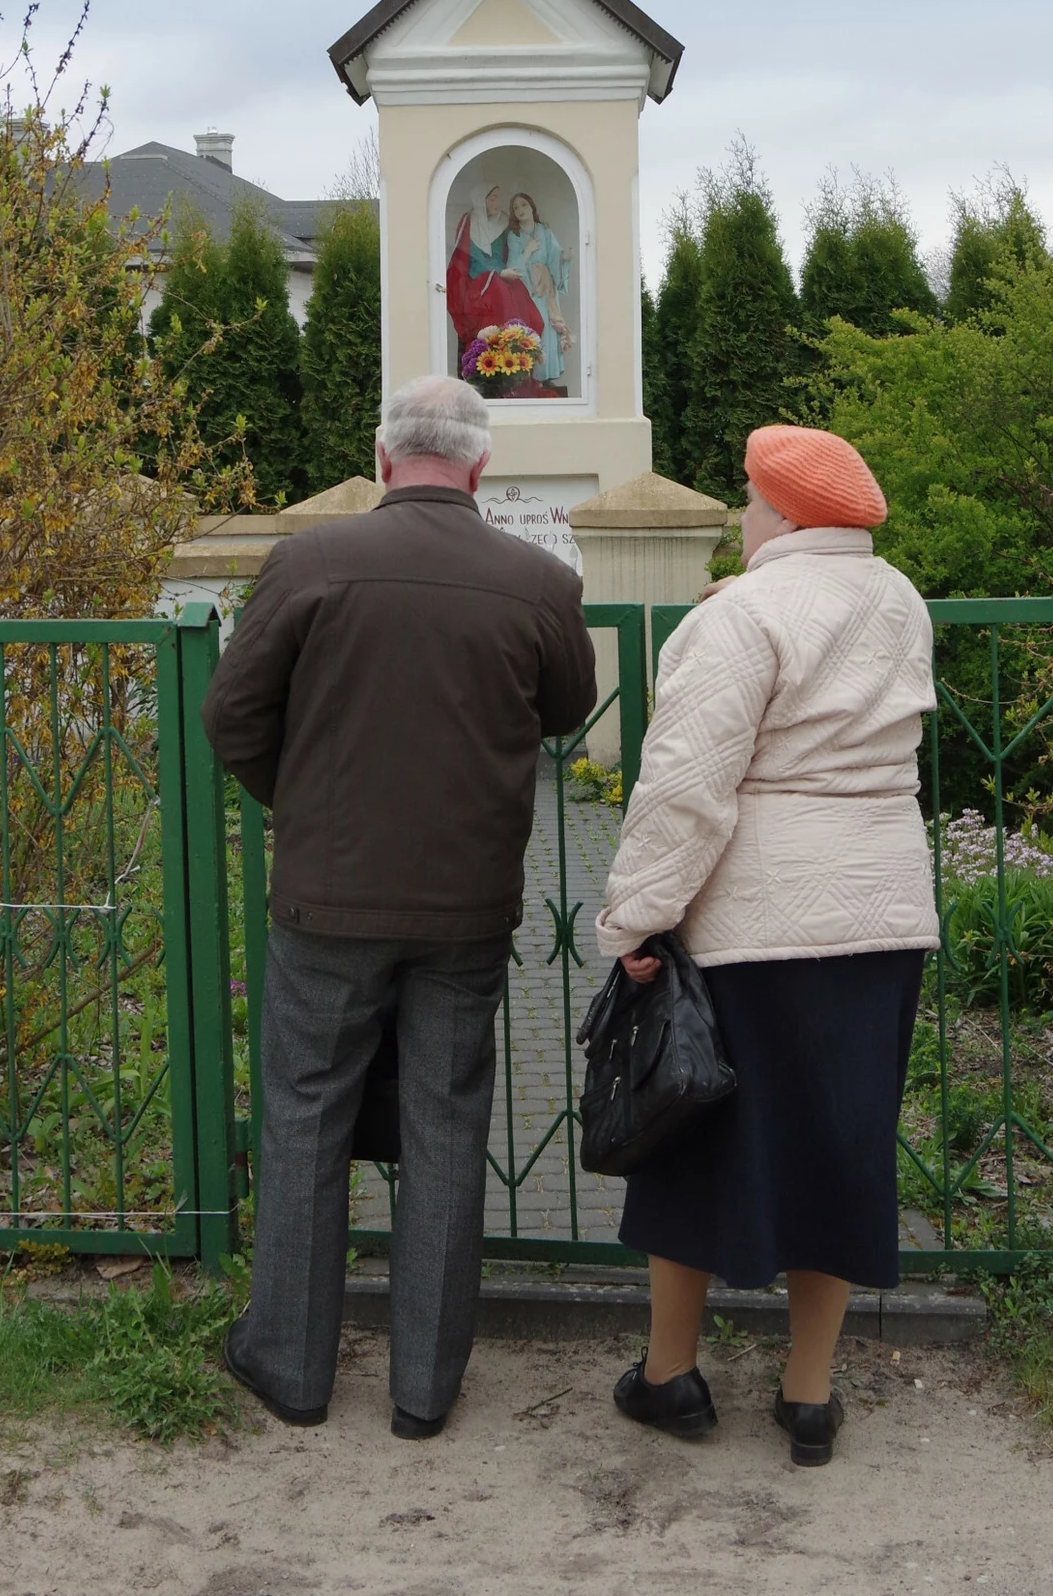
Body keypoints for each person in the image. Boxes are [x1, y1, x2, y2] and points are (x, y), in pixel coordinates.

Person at [202, 375, 596, 1437]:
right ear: (478, 467)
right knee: (446, 1122)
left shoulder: (306, 562)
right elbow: (565, 708)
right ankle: (424, 1389)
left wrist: (311, 805)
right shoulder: (536, 582)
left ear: (382, 460)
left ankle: (288, 1363)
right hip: (465, 906)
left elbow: (232, 716)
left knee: (303, 1116)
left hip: (326, 898)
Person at [595, 425, 939, 1466]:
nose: (741, 515)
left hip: (757, 919)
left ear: (782, 514)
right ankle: (807, 1397)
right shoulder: (900, 601)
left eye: (747, 500)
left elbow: (685, 789)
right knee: (839, 1142)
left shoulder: (738, 616)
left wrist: (634, 918)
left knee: (688, 1133)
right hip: (880, 912)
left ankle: (670, 1377)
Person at [446, 181, 544, 349]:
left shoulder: (505, 221)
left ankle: (518, 354)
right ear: (480, 200)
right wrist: (498, 274)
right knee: (499, 295)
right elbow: (466, 258)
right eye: (492, 199)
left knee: (531, 315)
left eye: (498, 199)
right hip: (477, 282)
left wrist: (538, 234)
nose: (497, 203)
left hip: (506, 276)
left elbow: (516, 245)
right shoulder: (469, 222)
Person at [501, 192, 572, 386]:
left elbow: (554, 257)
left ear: (532, 207)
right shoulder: (513, 236)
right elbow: (512, 265)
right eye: (516, 208)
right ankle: (532, 377)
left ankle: (547, 376)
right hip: (527, 288)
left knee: (548, 328)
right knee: (533, 325)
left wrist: (564, 259)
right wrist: (528, 251)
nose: (520, 210)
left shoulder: (545, 232)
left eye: (523, 205)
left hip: (546, 288)